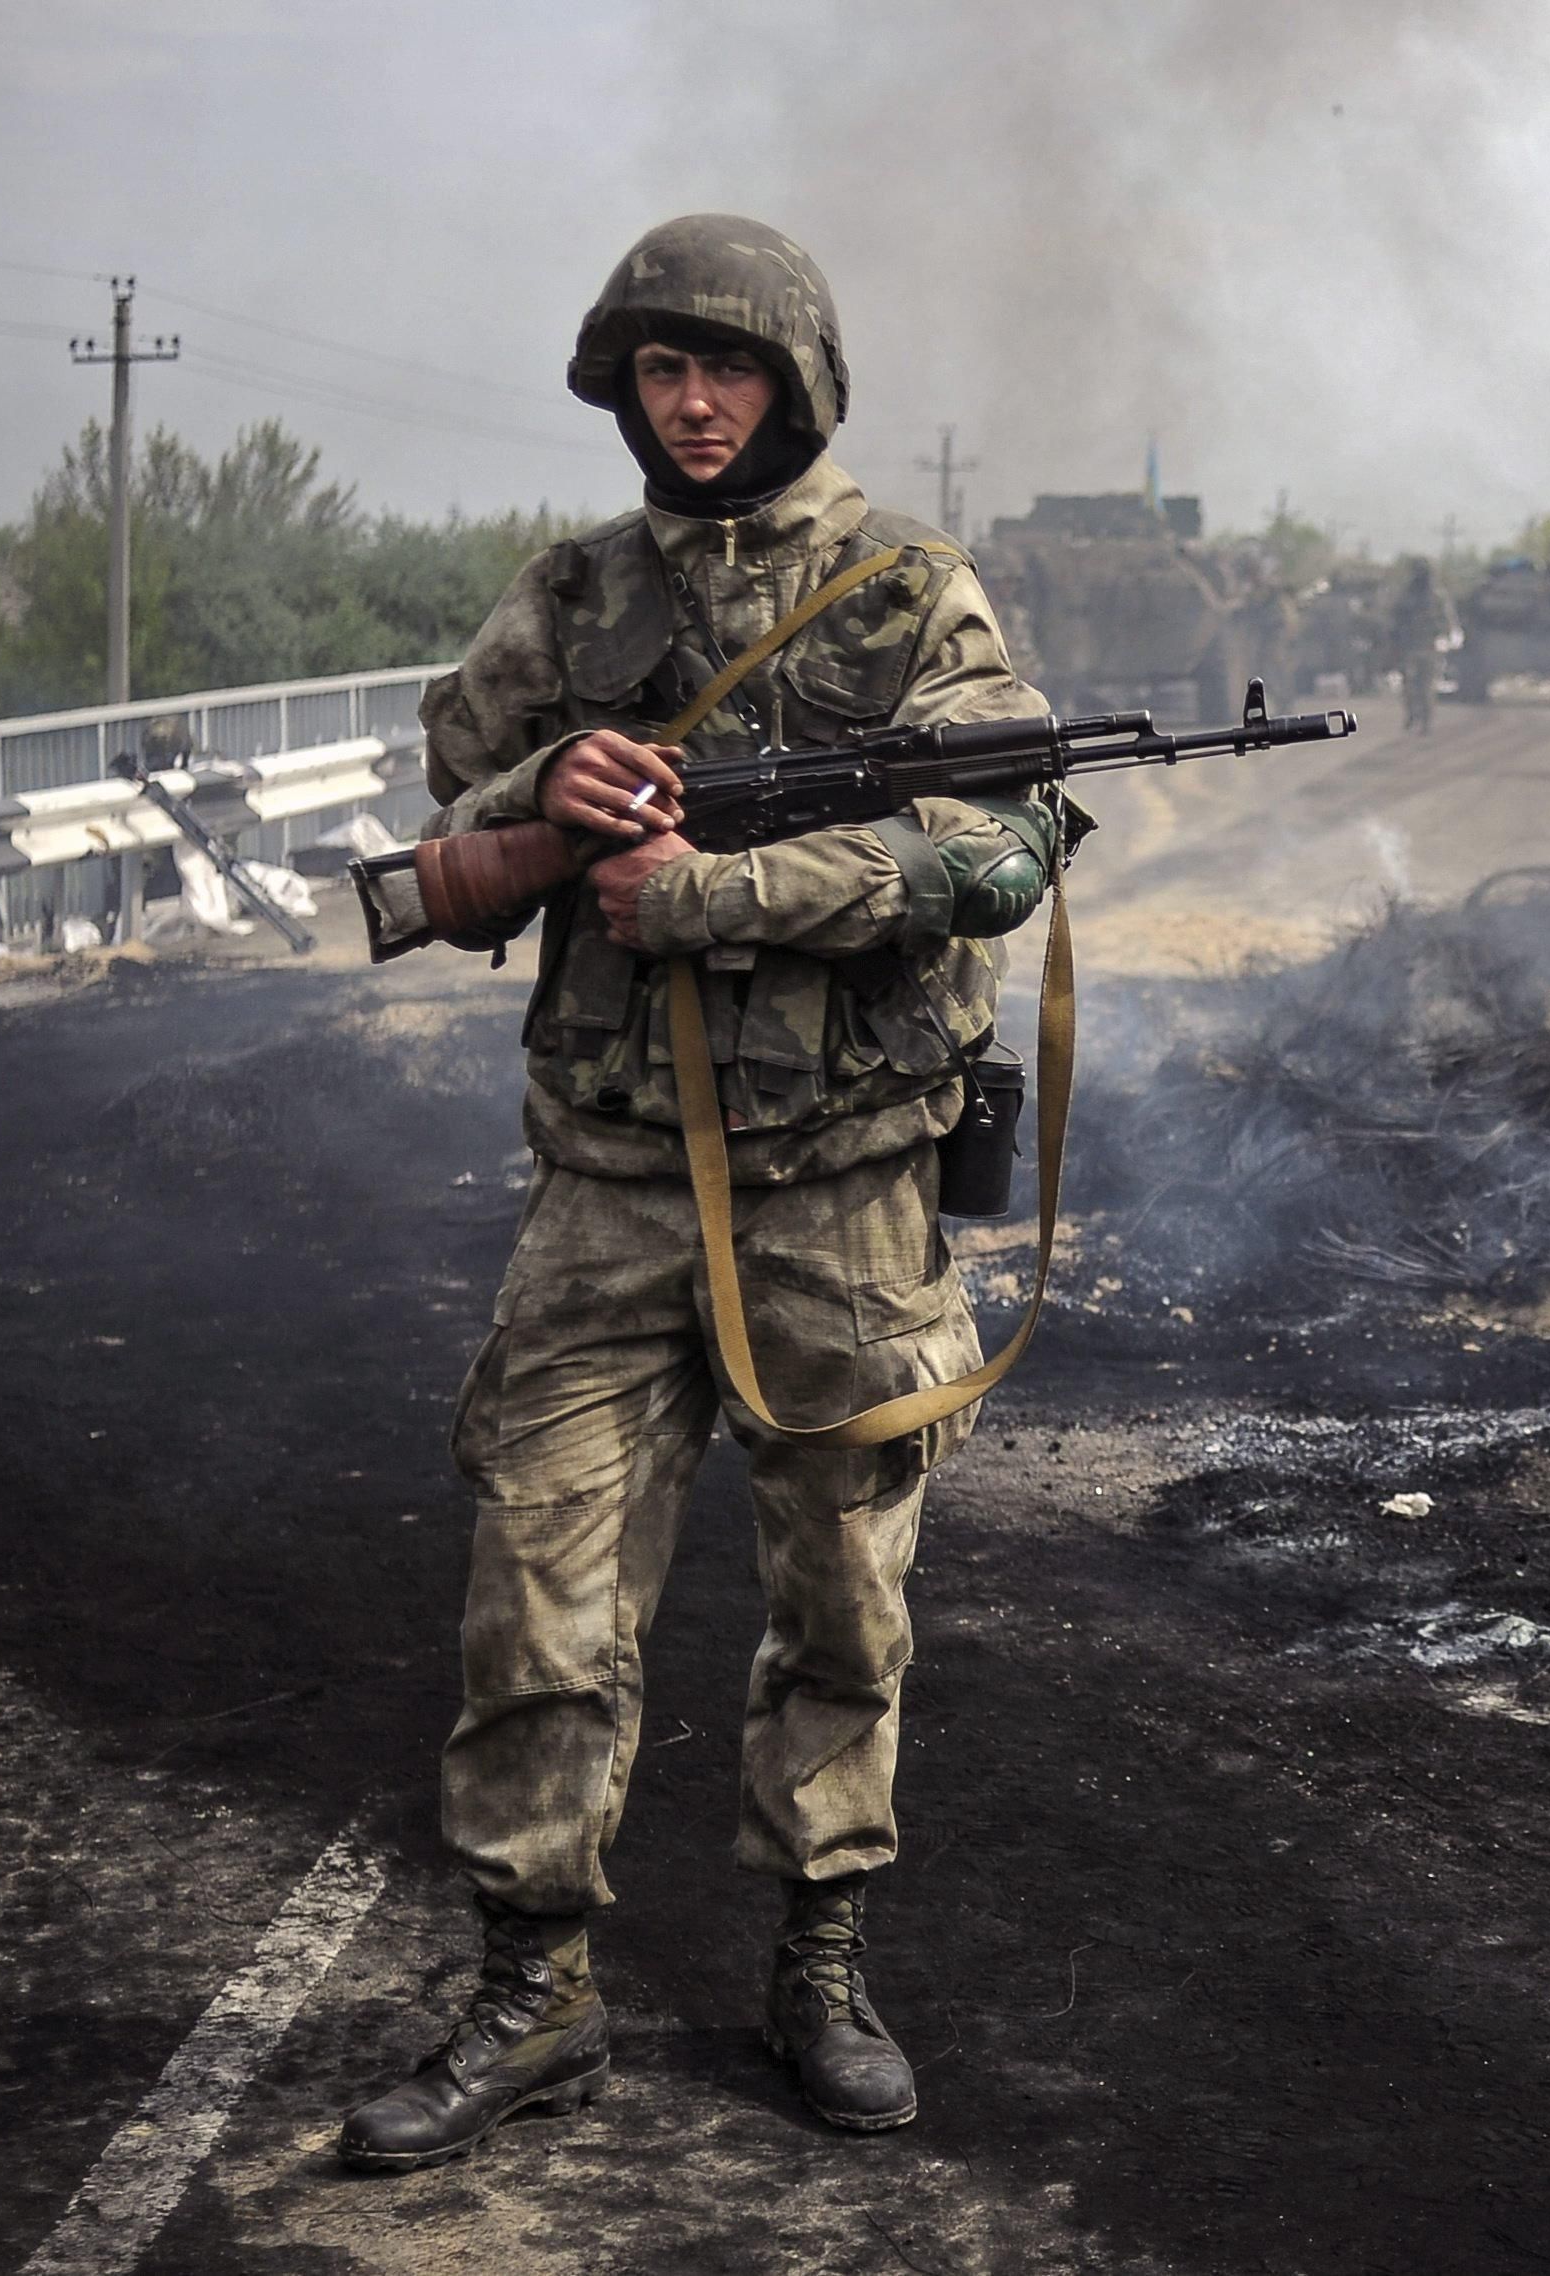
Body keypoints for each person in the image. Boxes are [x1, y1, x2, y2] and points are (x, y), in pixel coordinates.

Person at [336, 214, 1066, 2171]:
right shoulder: (569, 594)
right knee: (537, 1603)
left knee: (843, 1605)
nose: (696, 399)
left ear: (798, 383)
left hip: (842, 1192)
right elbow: (449, 818)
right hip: (607, 1189)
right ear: (622, 389)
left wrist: (728, 889)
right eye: (661, 369)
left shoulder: (910, 595)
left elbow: (1004, 846)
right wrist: (547, 806)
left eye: (729, 366)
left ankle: (817, 1961)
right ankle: (533, 1993)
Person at [1384, 555, 1455, 734]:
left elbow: (1446, 621)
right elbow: (1393, 620)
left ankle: (1423, 720)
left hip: (1423, 646)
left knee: (1421, 686)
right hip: (1413, 646)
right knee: (1414, 686)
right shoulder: (1418, 595)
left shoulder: (1434, 596)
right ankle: (1416, 716)